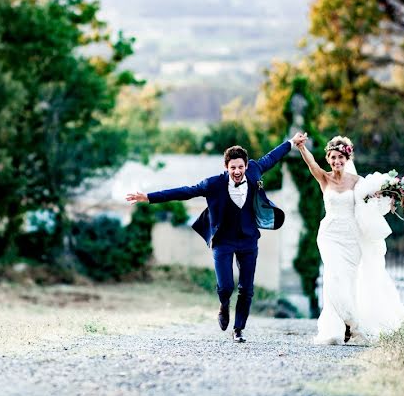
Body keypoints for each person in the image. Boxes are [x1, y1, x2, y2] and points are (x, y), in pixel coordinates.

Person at [126, 133, 304, 343]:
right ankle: (223, 305)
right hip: (223, 240)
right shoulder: (213, 184)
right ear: (226, 167)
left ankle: (238, 329)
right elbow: (185, 192)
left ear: (246, 166)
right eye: (233, 168)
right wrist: (149, 197)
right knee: (226, 286)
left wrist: (291, 143)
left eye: (240, 167)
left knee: (246, 289)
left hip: (248, 240)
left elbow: (271, 157)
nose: (237, 171)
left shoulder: (255, 170)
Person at [295, 134, 404, 344]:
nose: (337, 161)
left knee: (347, 281)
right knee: (333, 277)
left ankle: (346, 325)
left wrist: (390, 195)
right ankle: (352, 323)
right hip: (329, 235)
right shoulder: (324, 178)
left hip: (351, 237)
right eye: (332, 157)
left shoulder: (357, 182)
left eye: (340, 157)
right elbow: (311, 163)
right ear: (328, 159)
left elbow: (371, 199)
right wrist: (301, 147)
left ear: (347, 159)